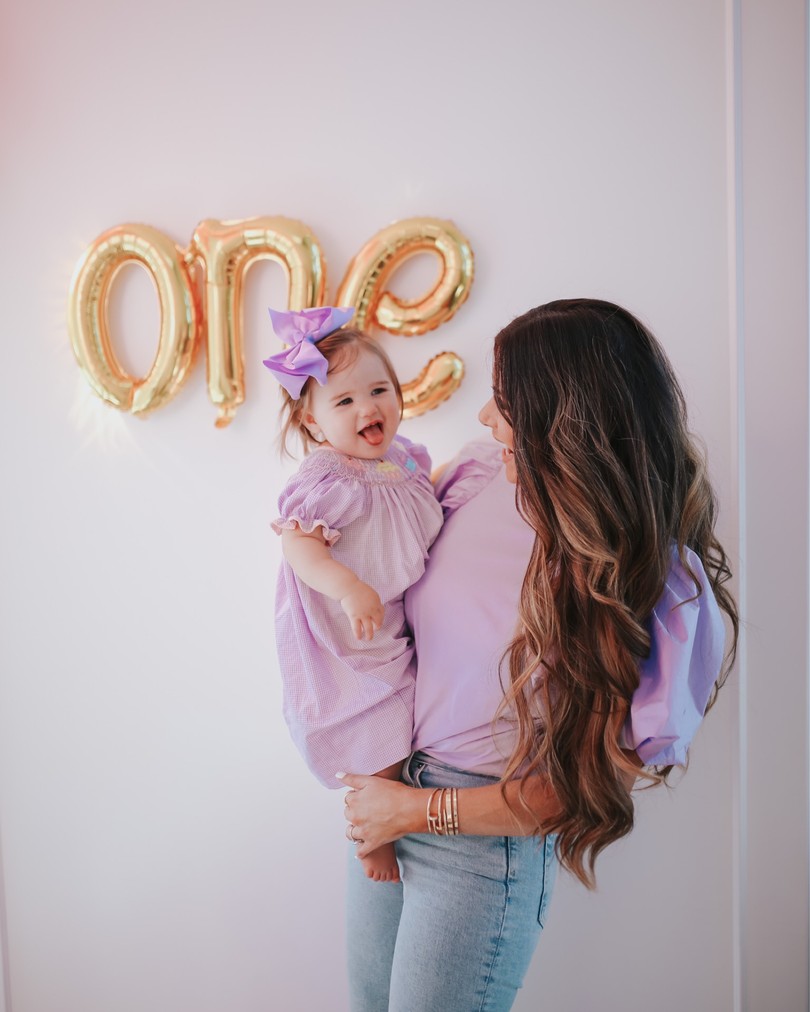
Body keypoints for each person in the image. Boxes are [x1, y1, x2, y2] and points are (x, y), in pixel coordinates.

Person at [339, 298, 739, 1011]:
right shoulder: (474, 476)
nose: (486, 422)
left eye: (503, 404)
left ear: (562, 420)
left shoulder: (638, 574)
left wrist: (412, 811)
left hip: (480, 845)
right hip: (390, 803)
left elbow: (577, 790)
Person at [265, 306, 443, 884]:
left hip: (389, 616)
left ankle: (380, 813)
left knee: (408, 708)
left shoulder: (403, 461)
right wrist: (349, 588)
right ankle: (371, 832)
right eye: (343, 402)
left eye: (379, 390)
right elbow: (298, 547)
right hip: (348, 628)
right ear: (314, 425)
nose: (368, 408)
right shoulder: (330, 478)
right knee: (381, 721)